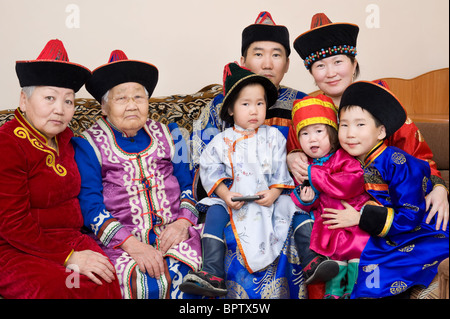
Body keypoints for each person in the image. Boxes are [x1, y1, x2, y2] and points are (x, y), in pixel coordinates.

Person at [288, 13, 449, 231]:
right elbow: (295, 152)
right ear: (312, 73)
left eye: (338, 62)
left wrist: (439, 188)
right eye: (320, 66)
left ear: (354, 64)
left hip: (386, 205)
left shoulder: (379, 100)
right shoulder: (307, 110)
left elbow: (418, 157)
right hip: (331, 210)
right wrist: (291, 155)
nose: (331, 73)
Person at [72, 50, 202, 299]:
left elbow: (190, 187)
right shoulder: (87, 145)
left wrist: (183, 223)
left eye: (139, 97)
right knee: (141, 282)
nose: (132, 105)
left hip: (176, 233)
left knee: (208, 268)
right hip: (121, 244)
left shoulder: (173, 133)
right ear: (103, 106)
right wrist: (132, 245)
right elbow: (90, 207)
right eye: (121, 98)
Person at [0, 39, 122, 298]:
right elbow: (12, 223)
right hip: (16, 247)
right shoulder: (8, 143)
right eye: (49, 98)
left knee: (104, 278)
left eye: (68, 101)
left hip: (71, 238)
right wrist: (69, 257)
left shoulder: (68, 140)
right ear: (24, 100)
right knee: (56, 288)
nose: (60, 109)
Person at [180, 62, 298, 297]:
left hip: (267, 199)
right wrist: (225, 194)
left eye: (260, 103)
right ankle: (212, 273)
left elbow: (279, 169)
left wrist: (274, 193)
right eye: (246, 104)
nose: (254, 111)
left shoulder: (273, 136)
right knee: (214, 212)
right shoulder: (221, 141)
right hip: (232, 199)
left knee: (293, 207)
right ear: (231, 109)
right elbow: (209, 169)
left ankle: (312, 260)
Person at [330, 81, 449, 298]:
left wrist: (360, 217)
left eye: (360, 125)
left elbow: (411, 214)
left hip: (422, 231)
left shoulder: (396, 161)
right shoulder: (350, 160)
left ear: (381, 131)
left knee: (376, 279)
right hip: (389, 230)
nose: (349, 133)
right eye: (344, 125)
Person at [191, 11, 307, 200]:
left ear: (287, 64)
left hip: (290, 200)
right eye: (259, 54)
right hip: (234, 200)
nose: (268, 64)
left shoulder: (302, 104)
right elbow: (201, 162)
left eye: (276, 55)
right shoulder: (221, 104)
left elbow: (325, 160)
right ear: (243, 61)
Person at [290, 94, 371, 298]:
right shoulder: (304, 164)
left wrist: (314, 173)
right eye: (305, 134)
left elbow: (350, 183)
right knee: (333, 257)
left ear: (333, 135)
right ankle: (333, 293)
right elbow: (311, 199)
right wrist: (306, 200)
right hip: (328, 223)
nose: (313, 138)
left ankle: (354, 292)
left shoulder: (342, 158)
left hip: (352, 219)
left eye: (319, 131)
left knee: (355, 254)